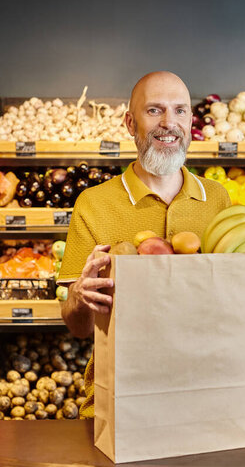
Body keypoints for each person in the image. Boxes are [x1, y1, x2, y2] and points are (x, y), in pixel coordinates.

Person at [58, 71, 231, 418]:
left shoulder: (217, 200)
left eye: (180, 110)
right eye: (155, 110)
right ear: (129, 123)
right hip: (120, 400)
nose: (170, 123)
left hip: (204, 396)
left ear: (191, 120)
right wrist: (80, 295)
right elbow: (78, 329)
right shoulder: (93, 204)